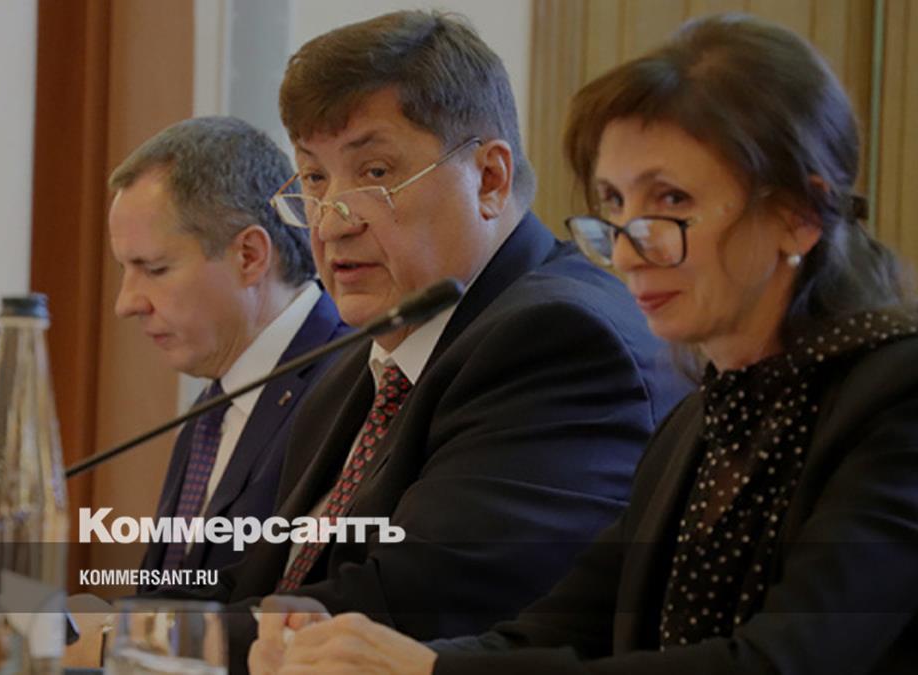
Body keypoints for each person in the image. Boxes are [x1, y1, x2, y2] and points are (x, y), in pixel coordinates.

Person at [257, 13, 918, 675]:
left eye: (672, 202)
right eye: (617, 205)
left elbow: (782, 661)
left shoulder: (913, 390)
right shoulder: (702, 418)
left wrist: (427, 671)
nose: (630, 249)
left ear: (797, 214)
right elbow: (554, 631)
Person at [161, 10, 689, 672]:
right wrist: (107, 626)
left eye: (376, 171)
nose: (332, 222)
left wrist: (141, 639)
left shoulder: (558, 341)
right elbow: (261, 588)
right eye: (315, 178)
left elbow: (408, 605)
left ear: (490, 179)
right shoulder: (355, 368)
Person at [107, 116, 348, 581]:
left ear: (249, 256)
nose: (126, 304)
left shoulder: (350, 387)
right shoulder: (213, 405)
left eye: (154, 269)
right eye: (125, 270)